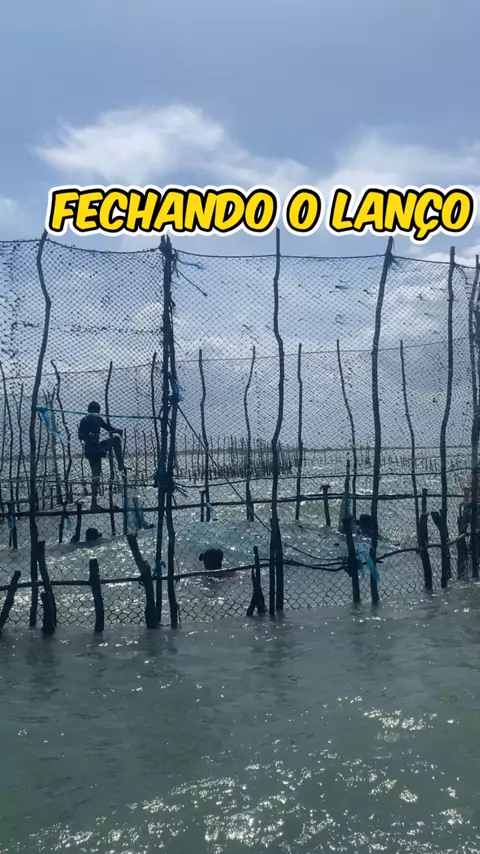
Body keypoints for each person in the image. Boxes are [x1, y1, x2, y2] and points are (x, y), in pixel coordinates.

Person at [78, 402, 126, 510]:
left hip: (95, 448)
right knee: (96, 476)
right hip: (92, 449)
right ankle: (120, 465)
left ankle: (94, 503)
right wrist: (89, 436)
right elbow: (80, 436)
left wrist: (117, 430)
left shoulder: (94, 419)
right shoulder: (87, 419)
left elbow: (109, 428)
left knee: (96, 476)